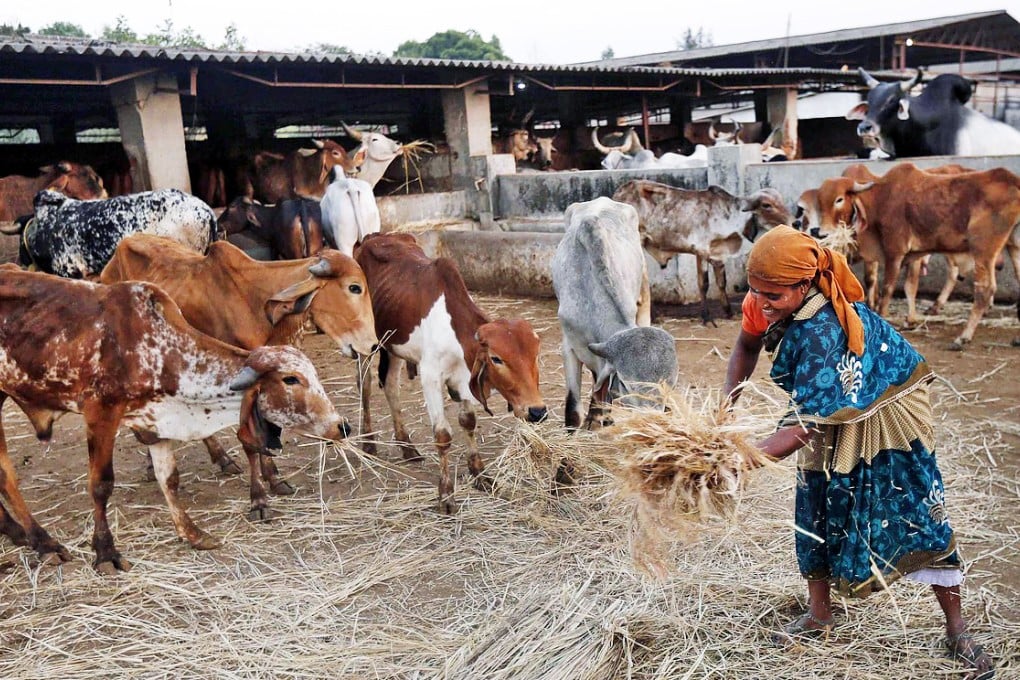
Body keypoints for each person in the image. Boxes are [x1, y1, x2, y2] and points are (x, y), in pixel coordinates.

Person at [723, 226, 994, 679]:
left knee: (918, 510)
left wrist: (728, 459)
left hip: (888, 413)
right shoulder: (764, 301)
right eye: (756, 291)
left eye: (773, 294)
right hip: (827, 408)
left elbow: (802, 429)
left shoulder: (823, 332)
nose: (762, 302)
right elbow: (746, 344)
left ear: (805, 284)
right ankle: (819, 614)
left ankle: (957, 629)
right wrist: (724, 408)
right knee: (815, 506)